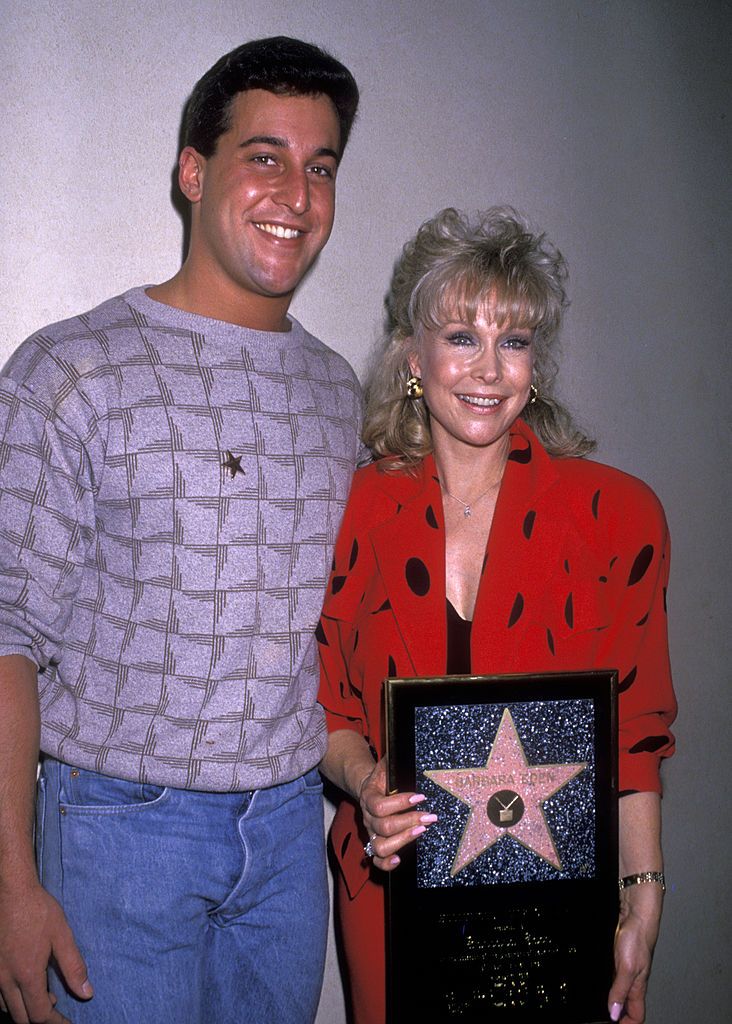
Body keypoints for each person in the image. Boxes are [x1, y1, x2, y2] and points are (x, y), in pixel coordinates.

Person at [0, 36, 361, 1024]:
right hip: (120, 832)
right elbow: (5, 632)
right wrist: (9, 882)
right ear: (193, 172)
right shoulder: (70, 370)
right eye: (265, 155)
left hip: (290, 837)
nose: (296, 191)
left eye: (320, 165)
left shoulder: (341, 393)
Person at [318, 207, 676, 1024]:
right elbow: (330, 708)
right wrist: (362, 781)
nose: (487, 368)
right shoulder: (355, 506)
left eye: (513, 341)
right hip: (392, 894)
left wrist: (642, 895)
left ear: (536, 366)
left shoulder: (618, 517)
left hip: (556, 913)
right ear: (414, 356)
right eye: (461, 336)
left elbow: (635, 735)